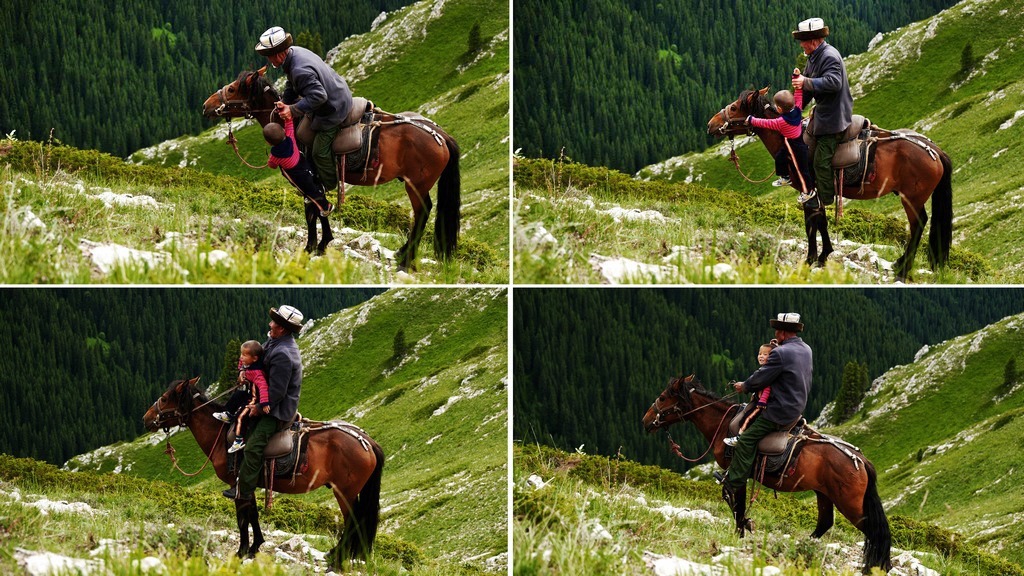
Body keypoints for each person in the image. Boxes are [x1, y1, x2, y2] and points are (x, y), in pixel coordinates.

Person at [718, 313, 812, 506]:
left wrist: (744, 386)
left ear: (784, 332)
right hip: (796, 406)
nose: (776, 333)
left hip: (779, 411)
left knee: (746, 440)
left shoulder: (780, 353)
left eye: (778, 330)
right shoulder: (805, 349)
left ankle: (733, 482)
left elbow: (762, 377)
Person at [255, 26, 353, 194]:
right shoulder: (293, 53)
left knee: (318, 152)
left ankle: (326, 185)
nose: (270, 60)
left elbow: (319, 97)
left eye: (269, 56)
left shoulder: (299, 69)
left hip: (333, 109)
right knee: (303, 133)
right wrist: (284, 101)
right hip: (335, 92)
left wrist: (292, 110)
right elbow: (292, 83)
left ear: (278, 54)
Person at [224, 305, 305, 500]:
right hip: (263, 396)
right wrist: (244, 372)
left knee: (253, 447)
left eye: (274, 322)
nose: (270, 323)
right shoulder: (273, 342)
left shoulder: (283, 354)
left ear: (283, 328)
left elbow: (277, 392)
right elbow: (257, 364)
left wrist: (259, 408)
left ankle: (244, 491)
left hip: (276, 409)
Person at [791, 18, 853, 210]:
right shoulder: (814, 57)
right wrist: (794, 109)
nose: (801, 44)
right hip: (823, 115)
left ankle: (823, 200)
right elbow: (809, 88)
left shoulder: (829, 56)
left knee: (820, 162)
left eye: (803, 40)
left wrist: (805, 82)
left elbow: (834, 82)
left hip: (834, 118)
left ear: (814, 40)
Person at [745, 79, 815, 200]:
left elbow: (765, 123)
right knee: (779, 157)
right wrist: (796, 79)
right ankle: (785, 177)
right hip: (795, 141)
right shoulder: (797, 109)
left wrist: (751, 119)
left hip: (793, 146)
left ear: (780, 109)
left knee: (800, 171)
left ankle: (808, 192)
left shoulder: (781, 122)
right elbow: (798, 96)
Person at [265, 102, 334, 217]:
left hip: (296, 175)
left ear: (268, 142)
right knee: (311, 180)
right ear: (283, 131)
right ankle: (318, 188)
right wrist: (286, 115)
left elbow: (272, 165)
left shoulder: (274, 156)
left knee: (308, 191)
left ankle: (326, 206)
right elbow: (289, 123)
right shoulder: (290, 138)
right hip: (303, 163)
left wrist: (269, 161)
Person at [723, 339, 779, 447]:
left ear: (772, 357)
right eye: (759, 354)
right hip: (760, 402)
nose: (761, 356)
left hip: (762, 405)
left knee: (748, 417)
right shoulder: (766, 369)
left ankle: (739, 438)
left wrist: (762, 401)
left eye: (765, 354)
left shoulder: (767, 372)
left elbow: (767, 389)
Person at [227, 340, 270, 454]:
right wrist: (241, 370)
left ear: (255, 358)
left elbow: (263, 387)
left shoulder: (257, 373)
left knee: (241, 416)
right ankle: (228, 413)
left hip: (254, 400)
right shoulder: (248, 364)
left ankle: (239, 440)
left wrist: (264, 404)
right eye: (241, 354)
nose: (241, 357)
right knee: (236, 396)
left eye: (244, 355)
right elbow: (241, 364)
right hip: (249, 395)